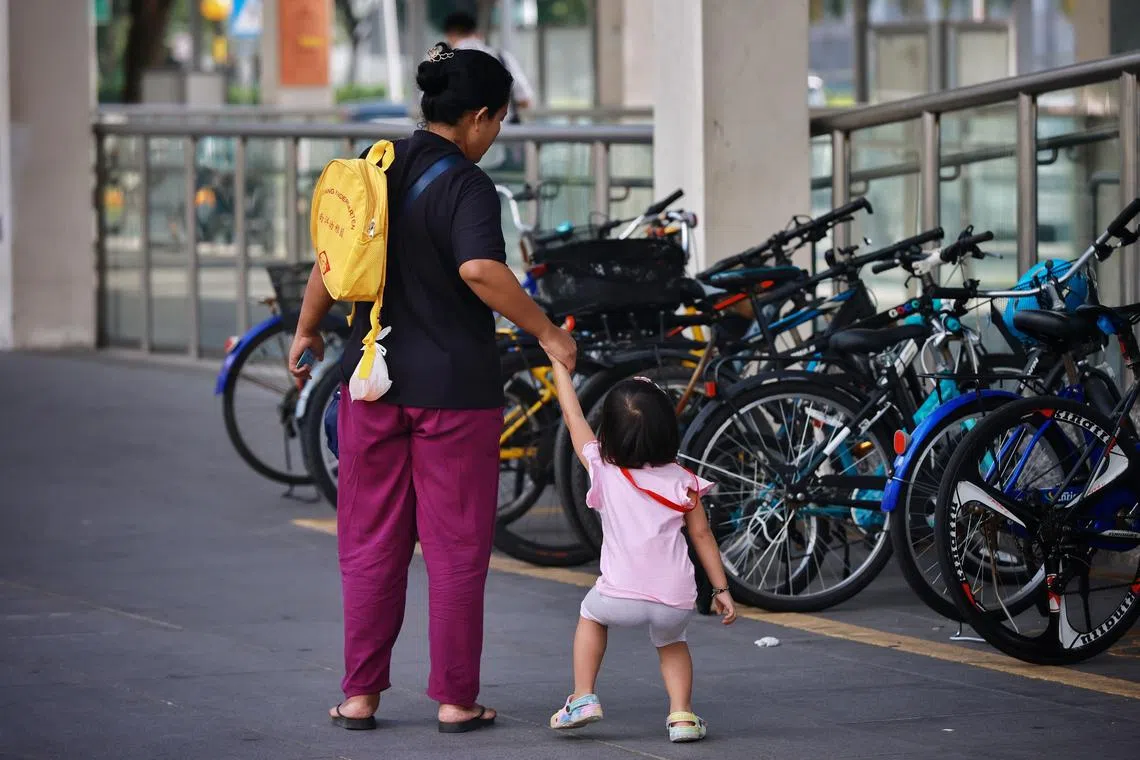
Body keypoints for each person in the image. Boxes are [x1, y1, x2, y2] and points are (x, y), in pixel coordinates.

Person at [287, 42, 576, 734]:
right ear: (477, 116)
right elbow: (480, 268)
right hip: (454, 391)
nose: (496, 134)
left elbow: (334, 256)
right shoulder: (468, 187)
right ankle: (455, 698)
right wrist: (546, 333)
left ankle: (360, 695)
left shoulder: (374, 167)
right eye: (499, 122)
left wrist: (306, 329)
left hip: (371, 384)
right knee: (453, 547)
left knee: (369, 542)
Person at [545, 361, 738, 743]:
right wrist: (721, 590)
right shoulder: (684, 481)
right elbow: (701, 536)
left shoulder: (602, 466)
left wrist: (559, 367)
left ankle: (583, 697)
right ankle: (681, 715)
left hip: (619, 594)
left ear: (609, 434)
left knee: (590, 615)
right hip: (675, 598)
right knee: (673, 644)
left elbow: (572, 415)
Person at [443, 10, 535, 123]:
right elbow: (525, 100)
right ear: (475, 32)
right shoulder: (502, 57)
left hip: (459, 137)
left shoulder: (442, 62)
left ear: (449, 35)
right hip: (504, 134)